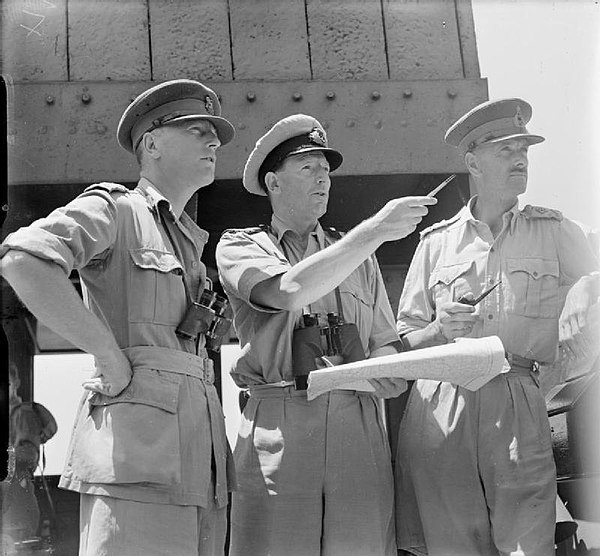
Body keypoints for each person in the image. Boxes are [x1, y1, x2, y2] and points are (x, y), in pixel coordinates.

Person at [0, 79, 236, 556]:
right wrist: (108, 354)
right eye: (196, 129)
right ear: (151, 143)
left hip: (199, 467)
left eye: (213, 133)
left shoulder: (189, 242)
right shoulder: (116, 209)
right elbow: (23, 260)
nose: (213, 140)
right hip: (137, 464)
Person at [216, 113, 437, 556]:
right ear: (273, 183)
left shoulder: (361, 256)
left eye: (326, 170)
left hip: (357, 428)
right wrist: (374, 231)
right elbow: (288, 291)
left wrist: (432, 339)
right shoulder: (241, 244)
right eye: (308, 168)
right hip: (280, 427)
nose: (323, 179)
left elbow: (385, 346)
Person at [393, 98, 600, 556]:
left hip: (518, 397)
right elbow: (404, 338)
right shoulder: (435, 243)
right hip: (441, 404)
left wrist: (587, 288)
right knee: (451, 546)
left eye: (524, 148)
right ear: (473, 161)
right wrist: (439, 330)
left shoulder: (555, 229)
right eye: (506, 150)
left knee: (528, 545)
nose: (520, 158)